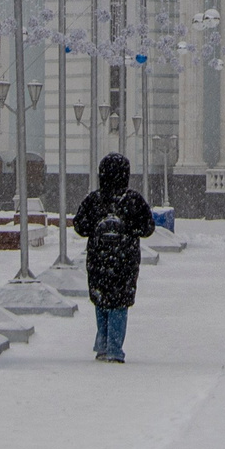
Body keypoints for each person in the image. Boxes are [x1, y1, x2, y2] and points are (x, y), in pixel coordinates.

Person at [72, 152, 156, 362]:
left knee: (101, 300)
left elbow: (79, 226)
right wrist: (129, 229)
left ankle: (102, 342)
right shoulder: (133, 200)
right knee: (120, 303)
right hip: (125, 261)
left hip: (98, 260)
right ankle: (114, 347)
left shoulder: (94, 200)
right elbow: (148, 228)